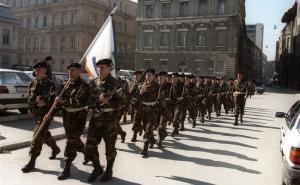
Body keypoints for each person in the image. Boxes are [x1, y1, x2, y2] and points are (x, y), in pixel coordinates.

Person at [43, 63, 89, 180]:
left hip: (78, 117)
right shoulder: (66, 84)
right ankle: (86, 153)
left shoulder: (84, 85)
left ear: (79, 71)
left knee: (70, 141)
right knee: (74, 140)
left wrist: (62, 101)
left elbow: (77, 101)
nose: (70, 72)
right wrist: (50, 115)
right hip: (67, 117)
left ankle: (67, 168)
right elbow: (57, 103)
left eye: (73, 70)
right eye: (69, 70)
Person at [84, 59, 127, 182]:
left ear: (109, 69)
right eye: (99, 67)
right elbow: (89, 99)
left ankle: (109, 170)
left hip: (110, 121)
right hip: (96, 119)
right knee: (90, 147)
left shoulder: (116, 84)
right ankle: (97, 168)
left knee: (109, 148)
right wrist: (93, 104)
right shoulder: (94, 82)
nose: (100, 70)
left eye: (102, 67)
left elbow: (123, 102)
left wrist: (108, 101)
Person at [21, 61, 60, 173]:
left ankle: (32, 161)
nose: (37, 72)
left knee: (37, 135)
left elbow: (55, 102)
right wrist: (31, 107)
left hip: (46, 115)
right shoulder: (32, 83)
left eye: (40, 70)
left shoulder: (51, 85)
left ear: (45, 71)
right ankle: (55, 148)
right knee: (45, 134)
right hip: (36, 114)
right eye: (36, 70)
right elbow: (30, 98)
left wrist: (45, 104)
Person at [139, 69, 160, 157]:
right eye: (147, 75)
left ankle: (145, 149)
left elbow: (160, 98)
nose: (148, 76)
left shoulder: (157, 86)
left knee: (148, 130)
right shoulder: (141, 85)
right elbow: (137, 97)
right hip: (143, 110)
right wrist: (141, 92)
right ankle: (153, 140)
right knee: (146, 128)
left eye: (150, 75)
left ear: (154, 76)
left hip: (152, 111)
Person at [130, 70, 144, 142]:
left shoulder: (143, 83)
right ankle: (140, 128)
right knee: (134, 120)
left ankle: (134, 135)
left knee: (136, 120)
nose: (136, 77)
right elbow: (130, 93)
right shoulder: (133, 83)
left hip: (141, 106)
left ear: (141, 76)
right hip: (133, 105)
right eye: (135, 76)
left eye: (138, 75)